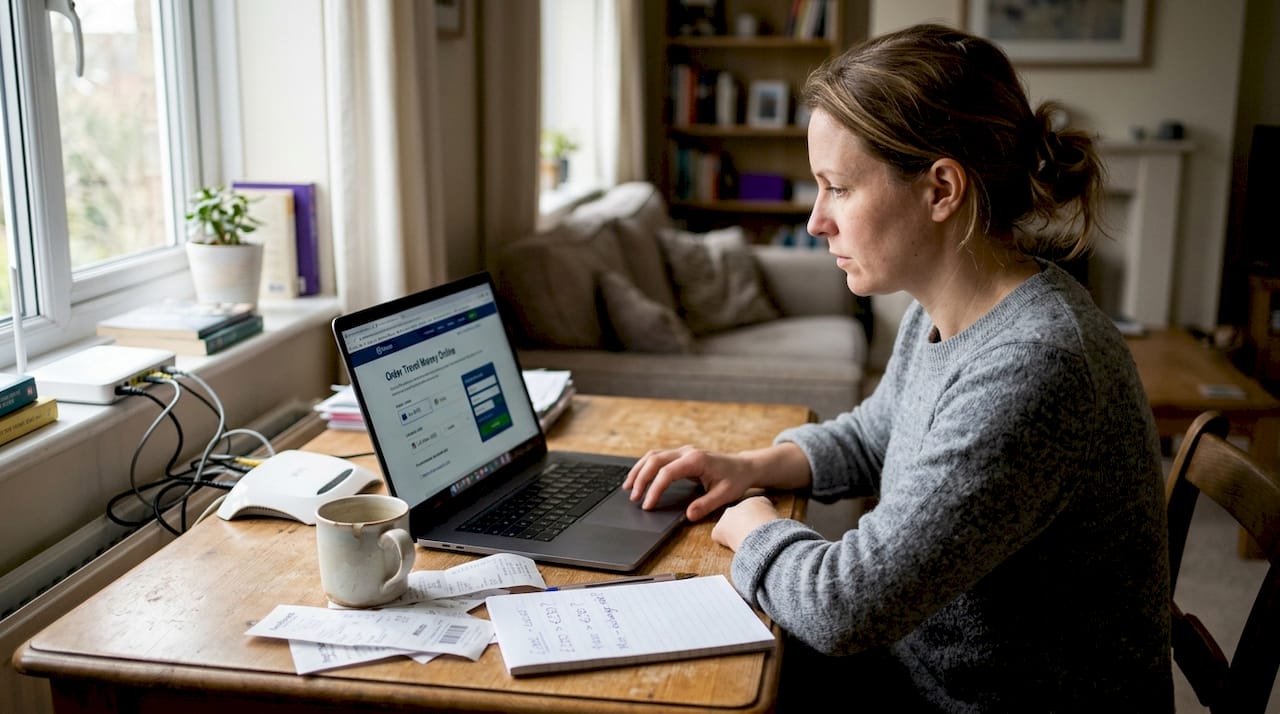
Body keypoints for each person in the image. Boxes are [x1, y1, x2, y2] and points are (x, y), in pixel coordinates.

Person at [624, 23, 1171, 711]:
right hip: (923, 671)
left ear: (941, 189)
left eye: (839, 188)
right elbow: (876, 432)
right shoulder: (943, 309)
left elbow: (844, 605)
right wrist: (752, 466)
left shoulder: (1037, 367)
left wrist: (755, 523)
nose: (817, 219)